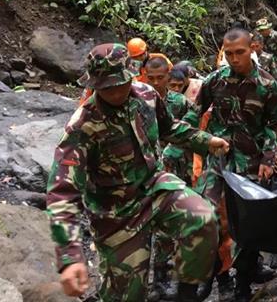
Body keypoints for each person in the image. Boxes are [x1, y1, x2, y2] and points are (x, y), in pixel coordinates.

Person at [46, 43, 230, 302]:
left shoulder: (146, 95)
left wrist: (204, 141)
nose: (113, 91)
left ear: (130, 76)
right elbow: (62, 192)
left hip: (154, 186)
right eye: (105, 86)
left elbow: (169, 128)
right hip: (116, 211)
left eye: (118, 84)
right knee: (128, 293)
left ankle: (186, 295)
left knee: (201, 218)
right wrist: (69, 256)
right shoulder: (83, 124)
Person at [193, 28, 277, 302]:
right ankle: (211, 276)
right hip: (218, 161)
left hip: (251, 162)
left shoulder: (267, 85)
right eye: (229, 54)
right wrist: (197, 142)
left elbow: (274, 125)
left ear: (252, 48)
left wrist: (269, 158)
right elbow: (193, 113)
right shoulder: (215, 81)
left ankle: (244, 282)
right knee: (206, 217)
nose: (234, 59)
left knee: (248, 224)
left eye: (239, 53)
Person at [144, 54, 199, 301]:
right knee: (157, 226)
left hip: (182, 166)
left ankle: (185, 277)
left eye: (161, 78)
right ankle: (159, 278)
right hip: (153, 170)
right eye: (151, 78)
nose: (156, 83)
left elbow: (194, 120)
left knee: (187, 219)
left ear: (169, 76)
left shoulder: (177, 101)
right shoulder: (138, 101)